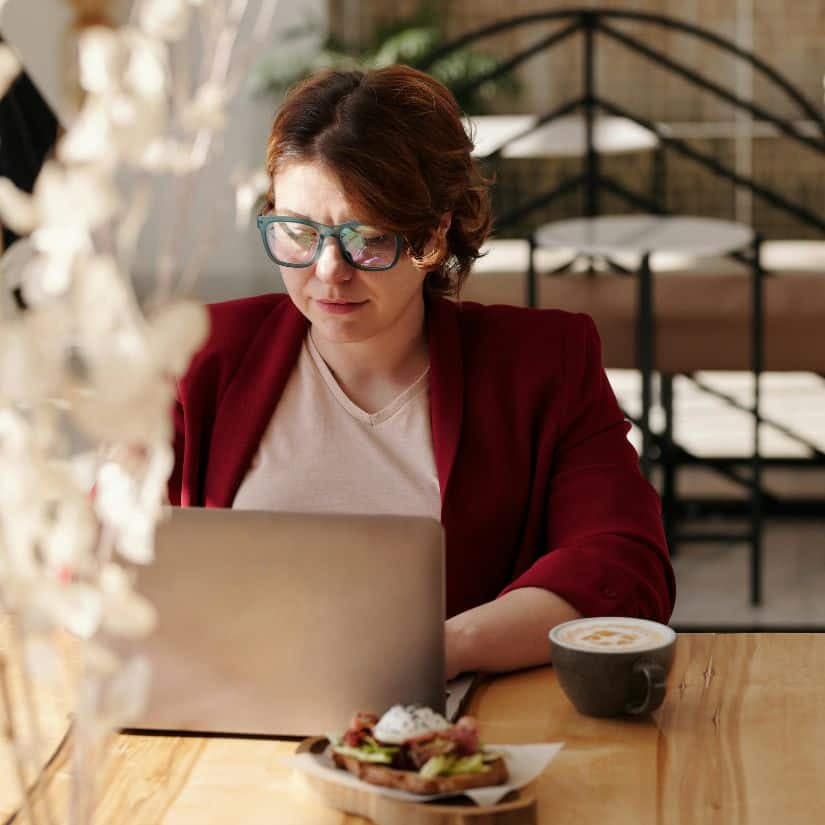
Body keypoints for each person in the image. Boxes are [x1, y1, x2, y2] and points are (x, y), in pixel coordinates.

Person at [169, 65, 675, 680]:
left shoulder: (542, 364)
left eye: (369, 238)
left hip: (445, 739)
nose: (330, 269)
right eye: (299, 233)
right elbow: (104, 555)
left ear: (434, 236)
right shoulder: (197, 355)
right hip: (224, 717)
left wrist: (441, 646)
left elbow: (624, 566)